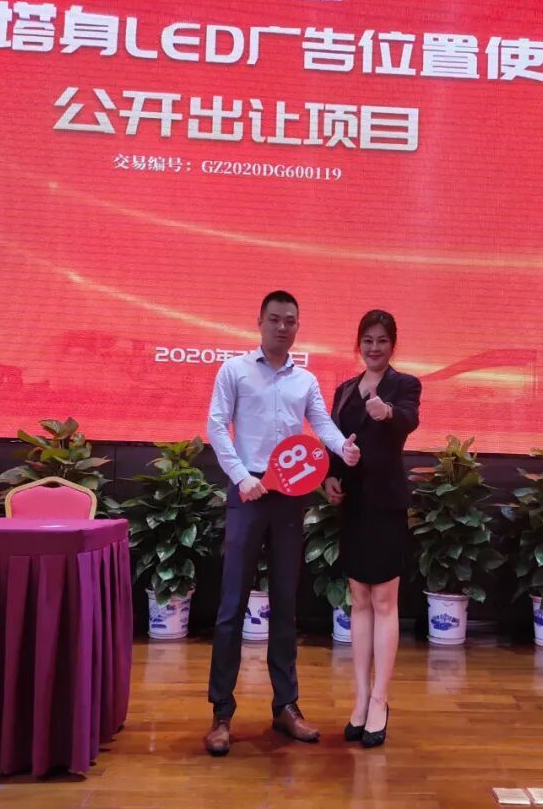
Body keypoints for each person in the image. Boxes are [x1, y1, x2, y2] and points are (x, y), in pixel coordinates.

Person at [204, 290, 361, 757]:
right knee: (231, 605)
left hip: (290, 498)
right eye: (274, 319)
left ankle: (286, 706)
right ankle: (221, 713)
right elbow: (216, 426)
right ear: (259, 322)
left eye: (290, 321)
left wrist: (344, 448)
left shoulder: (305, 380)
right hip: (247, 494)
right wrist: (241, 477)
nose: (282, 327)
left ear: (297, 326)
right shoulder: (234, 370)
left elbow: (322, 425)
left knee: (286, 602)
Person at [324, 309, 421, 748]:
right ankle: (361, 699)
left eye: (382, 340)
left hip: (386, 505)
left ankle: (381, 700)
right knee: (359, 600)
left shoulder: (405, 385)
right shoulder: (344, 390)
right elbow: (334, 443)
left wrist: (386, 412)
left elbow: (408, 420)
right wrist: (330, 478)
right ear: (358, 344)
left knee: (384, 601)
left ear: (392, 344)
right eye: (368, 340)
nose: (374, 347)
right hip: (354, 505)